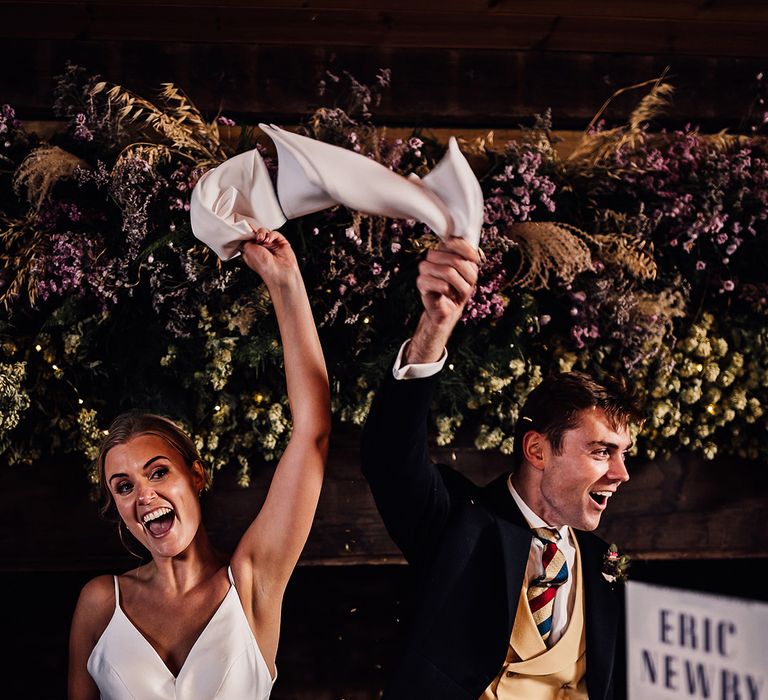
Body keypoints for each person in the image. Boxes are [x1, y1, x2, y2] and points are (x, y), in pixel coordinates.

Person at [361, 236, 643, 699]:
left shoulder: (606, 564)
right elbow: (390, 457)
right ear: (537, 451)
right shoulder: (458, 524)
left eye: (622, 453)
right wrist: (433, 329)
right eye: (600, 452)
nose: (621, 473)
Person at [68, 228, 330, 700]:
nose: (143, 494)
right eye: (123, 486)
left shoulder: (252, 583)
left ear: (196, 474)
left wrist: (286, 284)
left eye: (158, 471)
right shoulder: (100, 604)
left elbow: (312, 433)